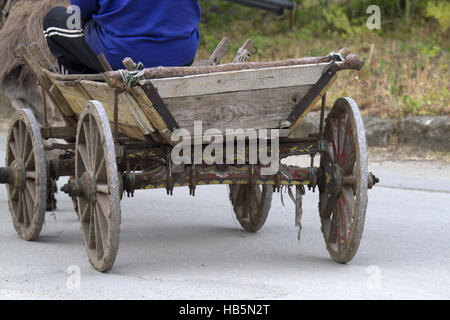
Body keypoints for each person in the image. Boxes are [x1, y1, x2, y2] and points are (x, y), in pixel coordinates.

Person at [43, 0, 201, 74]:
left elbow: (81, 10)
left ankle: (82, 87)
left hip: (123, 58)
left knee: (54, 20)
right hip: (182, 55)